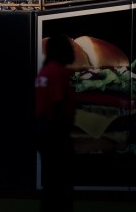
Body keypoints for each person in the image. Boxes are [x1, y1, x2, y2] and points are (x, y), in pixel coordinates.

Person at [35, 34, 76, 212]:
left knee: (50, 185)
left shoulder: (44, 72)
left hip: (43, 132)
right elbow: (57, 105)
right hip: (56, 134)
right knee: (62, 186)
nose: (72, 50)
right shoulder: (57, 72)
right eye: (68, 47)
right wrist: (65, 137)